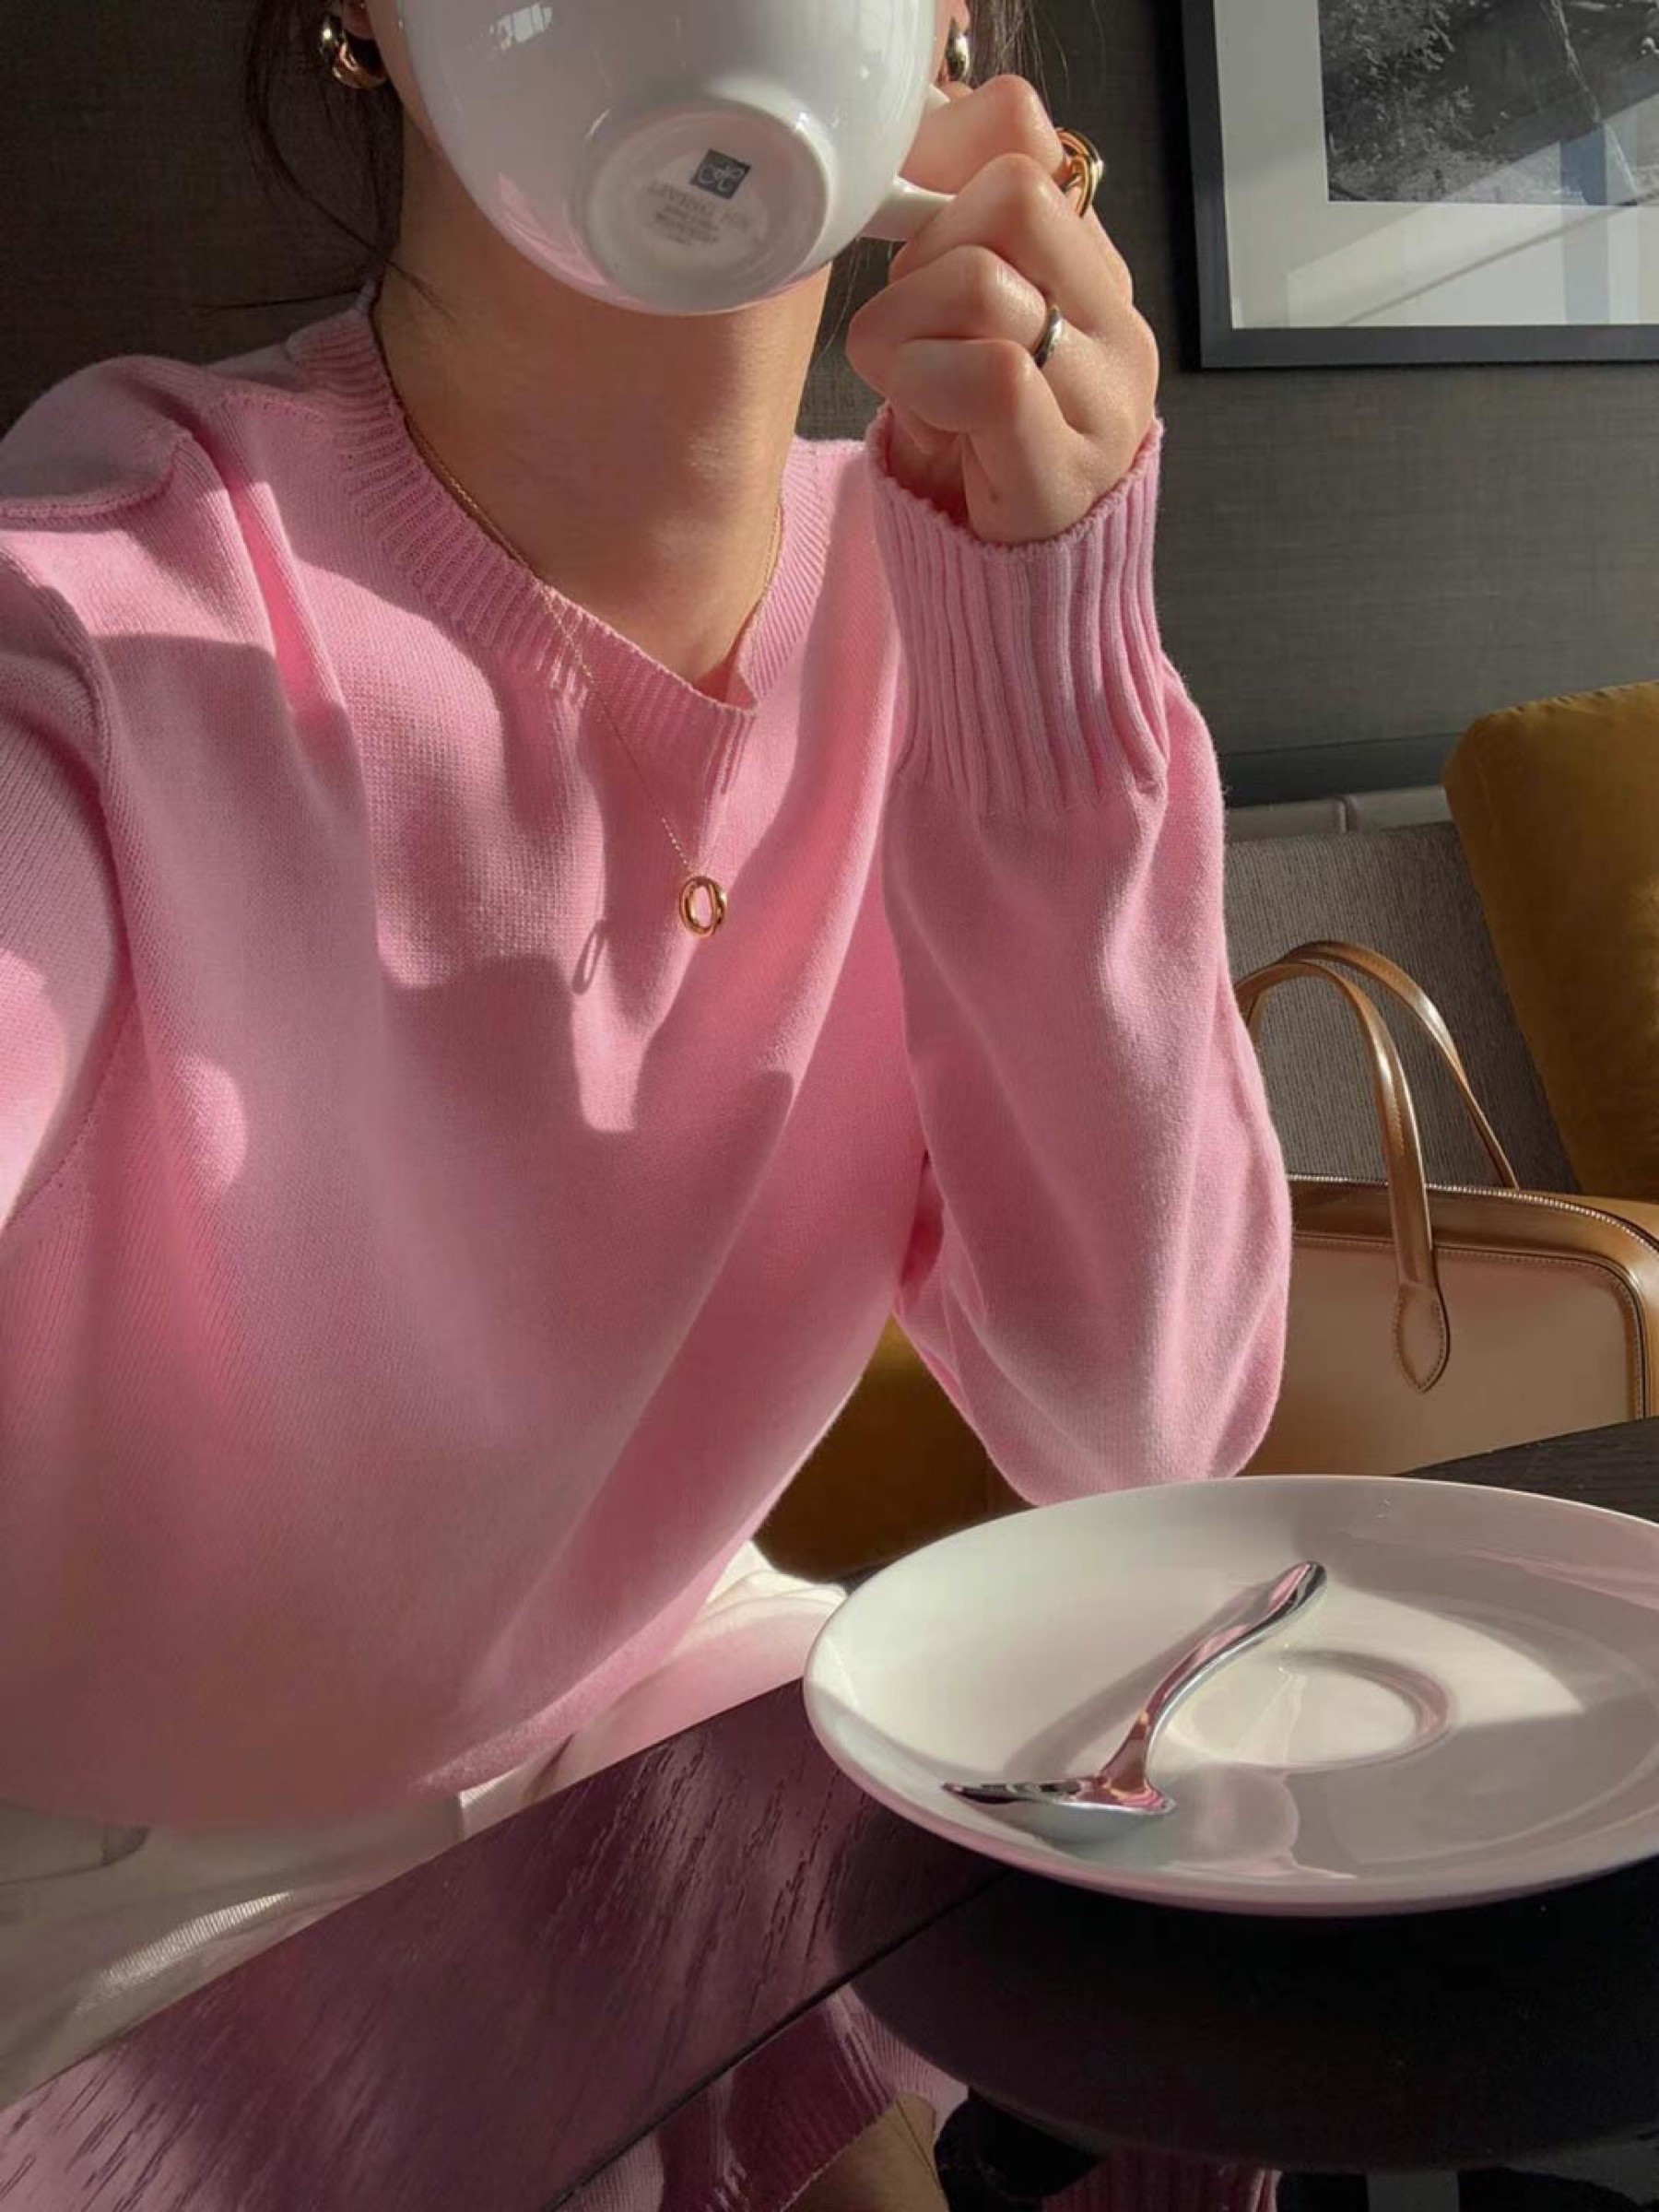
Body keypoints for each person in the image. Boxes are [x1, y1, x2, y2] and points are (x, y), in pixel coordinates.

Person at [0, 0, 1289, 2119]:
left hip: (663, 1699)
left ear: (950, 34)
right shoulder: (103, 607)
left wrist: (1048, 653)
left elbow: (1137, 1428)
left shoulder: (951, 596)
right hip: (111, 1873)